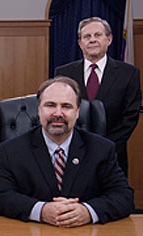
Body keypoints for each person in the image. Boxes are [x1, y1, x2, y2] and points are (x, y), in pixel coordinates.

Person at [0, 77, 134, 227]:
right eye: (50, 105)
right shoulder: (10, 150)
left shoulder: (101, 149)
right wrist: (41, 210)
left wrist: (88, 211)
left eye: (66, 106)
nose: (58, 113)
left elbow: (123, 196)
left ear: (77, 112)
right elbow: (0, 197)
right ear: (39, 110)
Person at [54, 17, 141, 176]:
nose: (92, 40)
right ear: (80, 43)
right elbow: (58, 111)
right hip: (71, 152)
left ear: (109, 39)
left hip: (113, 153)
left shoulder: (129, 74)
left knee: (112, 199)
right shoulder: (63, 73)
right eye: (87, 37)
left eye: (97, 35)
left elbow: (130, 116)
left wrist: (105, 145)